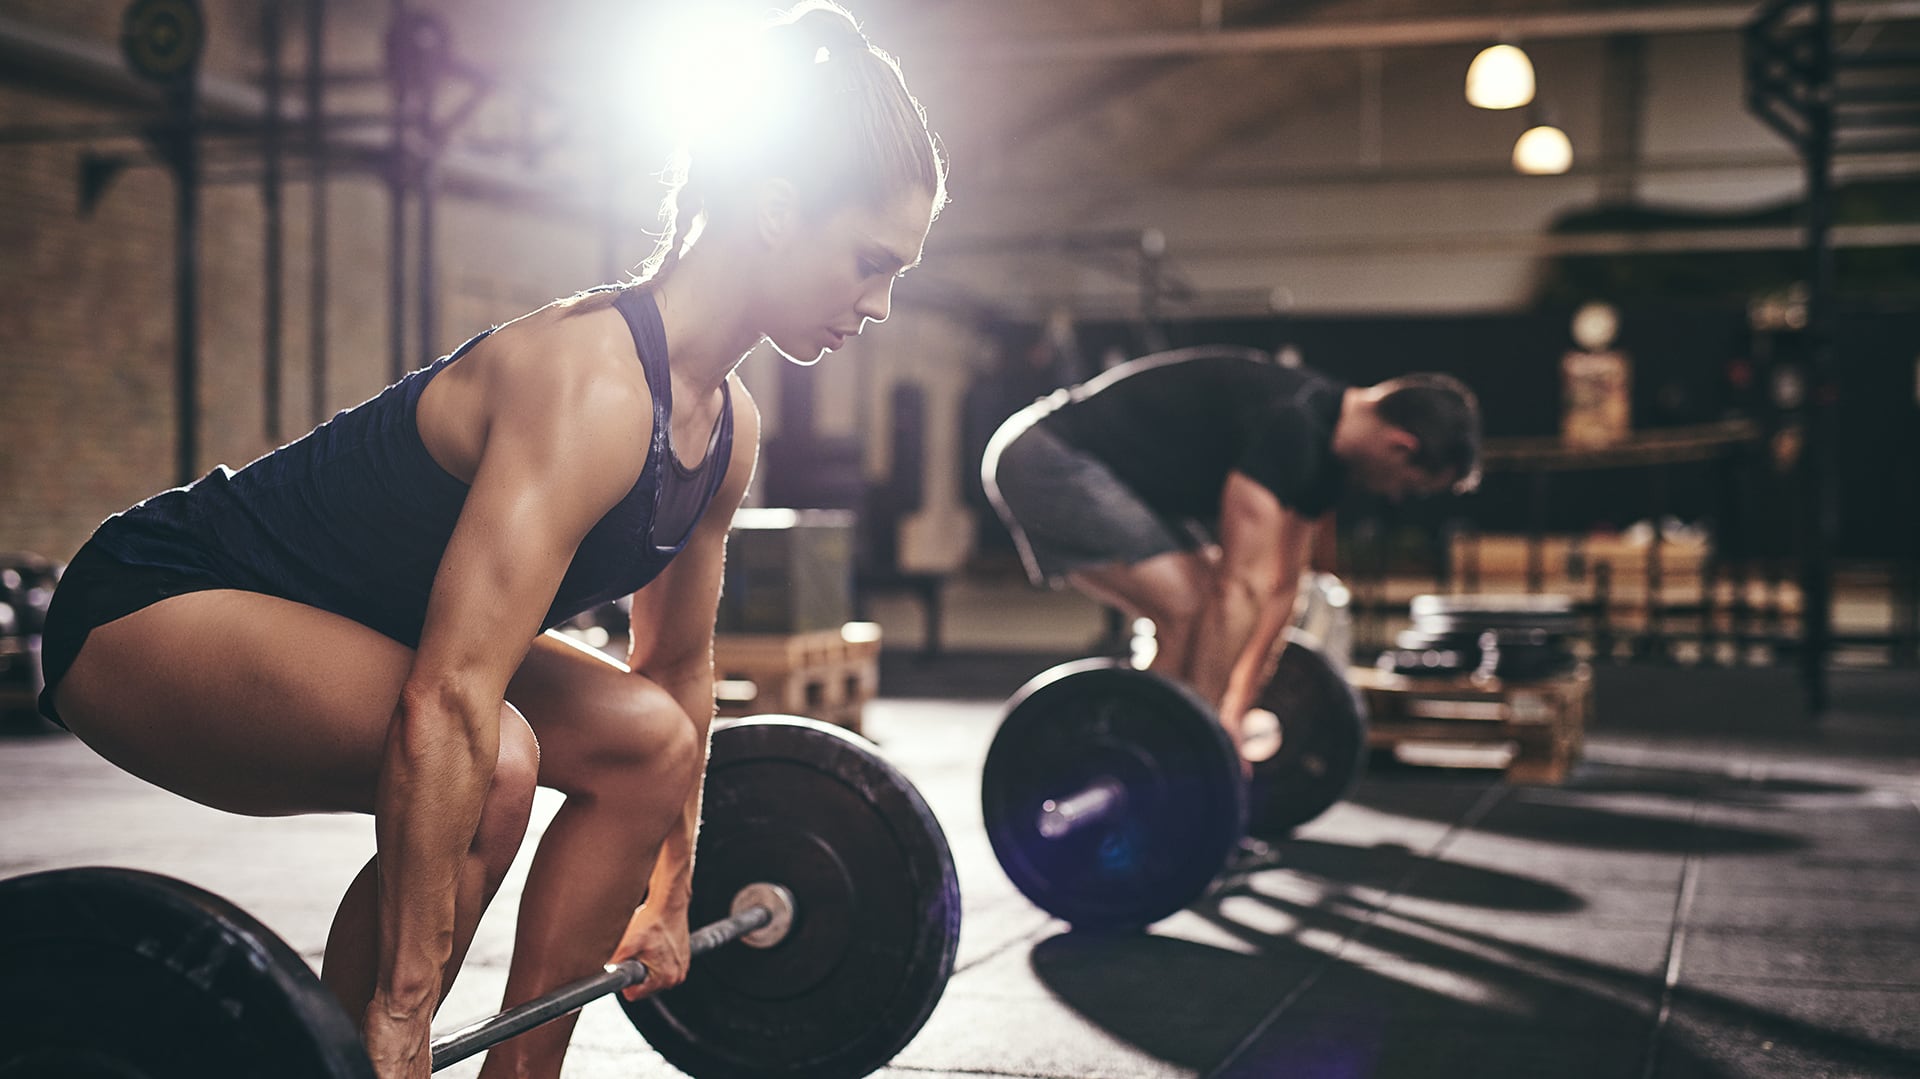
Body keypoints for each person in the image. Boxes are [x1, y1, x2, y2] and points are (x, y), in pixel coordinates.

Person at [34, 4, 945, 1077]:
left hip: (366, 637)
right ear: (780, 209)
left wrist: (673, 890)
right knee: (494, 756)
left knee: (646, 734)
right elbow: (451, 698)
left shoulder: (725, 428)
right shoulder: (592, 385)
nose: (881, 303)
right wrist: (402, 1011)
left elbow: (678, 667)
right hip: (151, 607)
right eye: (871, 260)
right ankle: (351, 1049)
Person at [981, 347, 1479, 747]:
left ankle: (1141, 749)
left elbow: (1282, 590)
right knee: (1193, 608)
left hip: (1120, 480)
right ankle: (1145, 756)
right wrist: (1207, 732)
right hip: (1045, 453)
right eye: (1410, 486)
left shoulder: (1326, 465)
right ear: (1401, 446)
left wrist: (1236, 710)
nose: (1396, 496)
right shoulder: (1291, 425)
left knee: (1198, 613)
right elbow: (1240, 588)